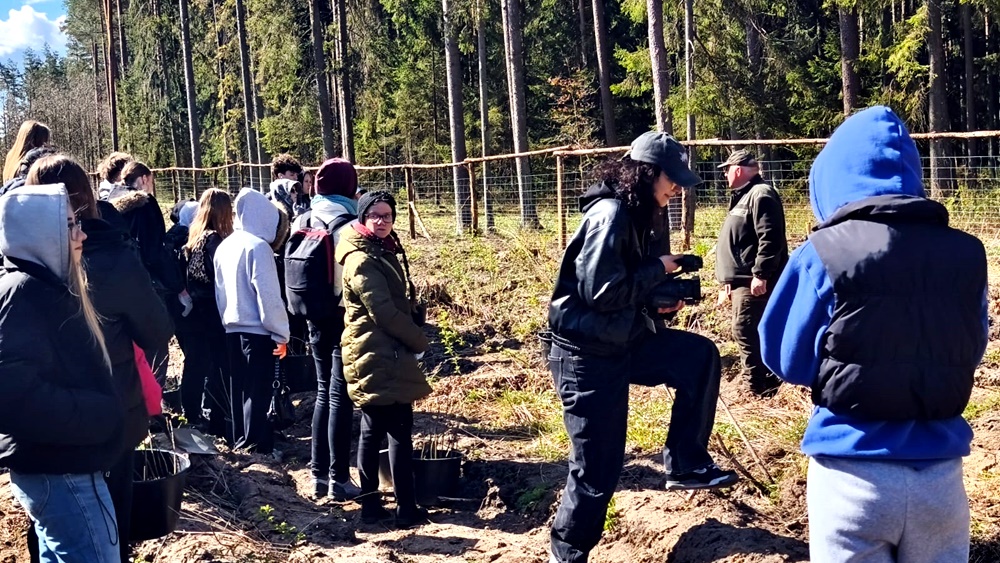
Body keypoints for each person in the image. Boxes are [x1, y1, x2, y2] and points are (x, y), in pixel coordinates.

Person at [759, 106, 988, 563]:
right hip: (940, 479)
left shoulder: (822, 252)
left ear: (830, 179)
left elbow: (784, 355)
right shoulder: (968, 253)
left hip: (849, 473)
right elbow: (973, 345)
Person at [544, 131, 738, 563]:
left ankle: (686, 463)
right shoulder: (611, 214)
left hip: (619, 341)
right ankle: (567, 554)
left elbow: (619, 287)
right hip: (585, 355)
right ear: (648, 173)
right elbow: (600, 292)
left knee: (697, 357)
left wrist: (658, 298)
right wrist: (659, 269)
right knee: (597, 466)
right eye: (673, 179)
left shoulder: (635, 212)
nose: (678, 188)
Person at [25, 154, 173, 562]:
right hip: (109, 415)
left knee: (50, 527)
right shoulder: (113, 256)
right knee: (110, 527)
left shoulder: (20, 260)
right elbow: (157, 330)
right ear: (88, 197)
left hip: (42, 419)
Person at [0, 184, 125, 563]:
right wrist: (99, 414)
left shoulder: (40, 286)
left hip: (59, 464)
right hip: (63, 470)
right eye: (70, 225)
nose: (81, 234)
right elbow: (14, 395)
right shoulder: (26, 292)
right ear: (41, 232)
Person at [336, 190, 429, 529]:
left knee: (373, 429)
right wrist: (418, 340)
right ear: (362, 217)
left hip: (378, 351)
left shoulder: (377, 249)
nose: (381, 221)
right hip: (377, 353)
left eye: (387, 216)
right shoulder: (362, 258)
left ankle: (372, 506)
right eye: (374, 215)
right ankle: (405, 508)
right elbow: (383, 311)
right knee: (398, 431)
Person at [296, 158, 363, 500]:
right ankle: (339, 479)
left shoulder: (304, 218)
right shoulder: (349, 224)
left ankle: (317, 475)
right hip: (340, 315)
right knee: (341, 396)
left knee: (323, 392)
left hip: (312, 315)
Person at [214, 188, 290, 457]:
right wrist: (281, 333)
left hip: (231, 328)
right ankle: (257, 449)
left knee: (239, 389)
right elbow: (268, 296)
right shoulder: (259, 248)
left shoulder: (225, 246)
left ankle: (241, 441)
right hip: (259, 331)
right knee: (258, 391)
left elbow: (219, 291)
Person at [714, 149, 788, 397]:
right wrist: (728, 279)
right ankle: (763, 382)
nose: (725, 174)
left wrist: (761, 274)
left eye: (726, 170)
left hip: (753, 281)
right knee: (747, 329)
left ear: (737, 170)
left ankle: (755, 387)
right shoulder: (744, 195)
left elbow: (770, 237)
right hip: (742, 279)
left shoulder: (761, 194)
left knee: (745, 329)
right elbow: (741, 239)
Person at [110, 160, 187, 388]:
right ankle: (154, 399)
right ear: (144, 179)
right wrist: (177, 284)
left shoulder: (110, 202)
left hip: (117, 284)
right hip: (148, 283)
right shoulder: (144, 204)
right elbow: (154, 250)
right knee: (156, 343)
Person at [183, 189, 235, 439]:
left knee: (198, 363)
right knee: (219, 366)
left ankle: (193, 413)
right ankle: (218, 419)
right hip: (214, 310)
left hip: (196, 310)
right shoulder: (215, 241)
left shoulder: (194, 238)